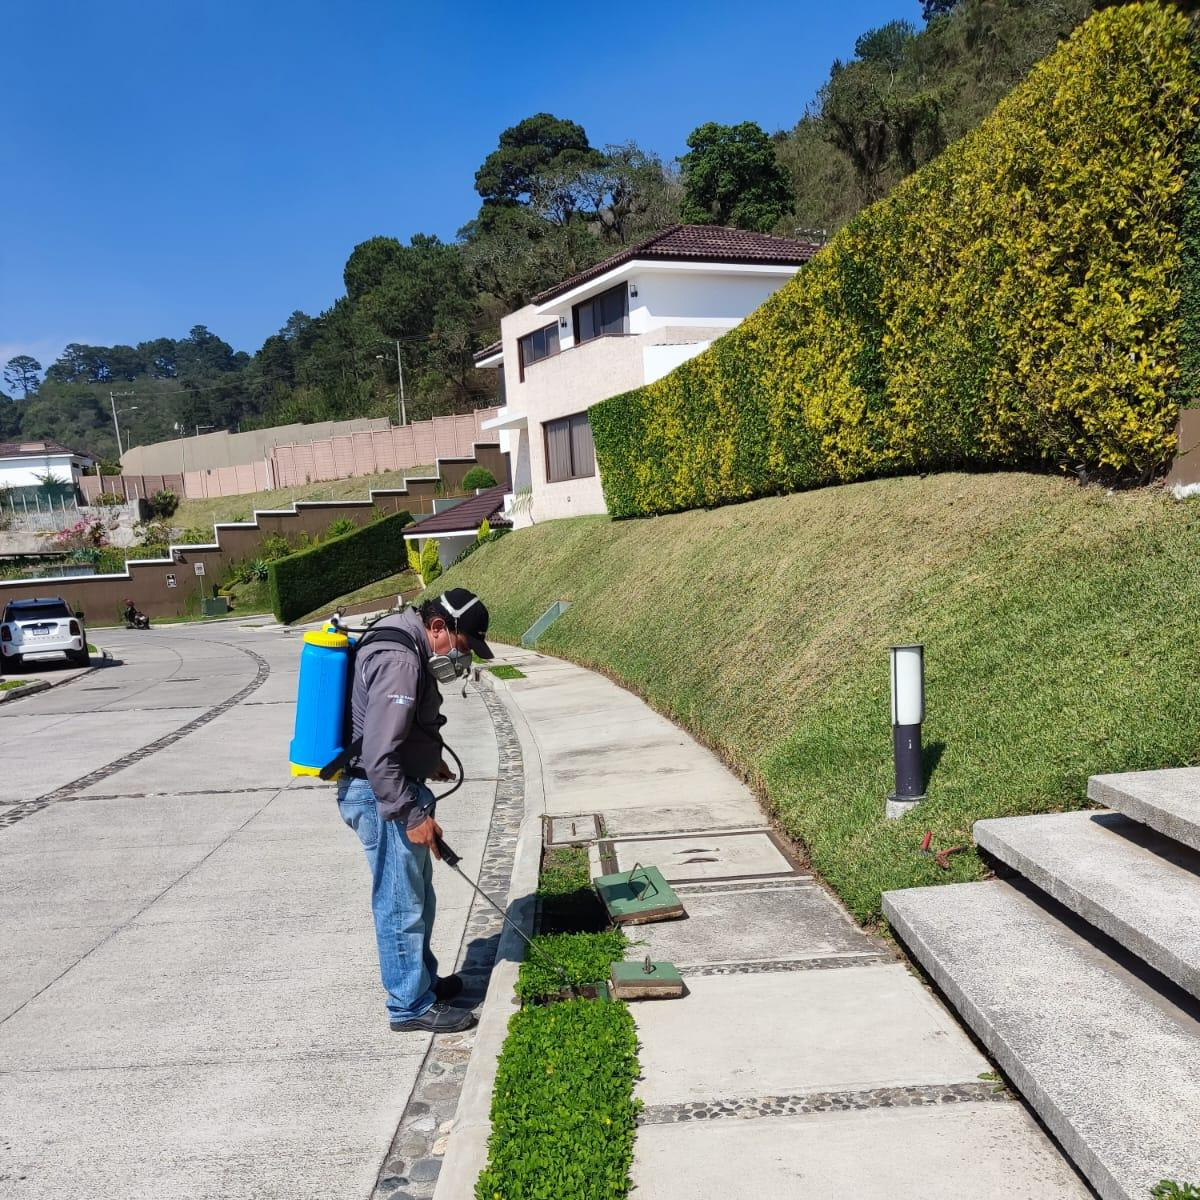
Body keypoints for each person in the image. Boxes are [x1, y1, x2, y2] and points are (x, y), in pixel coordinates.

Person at [338, 588, 494, 1033]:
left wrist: (429, 760)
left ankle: (422, 981)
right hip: (382, 797)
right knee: (400, 904)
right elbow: (379, 753)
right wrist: (411, 815)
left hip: (394, 788)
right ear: (439, 626)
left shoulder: (408, 642)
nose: (461, 659)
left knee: (419, 897)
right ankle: (409, 1005)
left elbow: (397, 731)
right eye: (461, 647)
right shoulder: (401, 660)